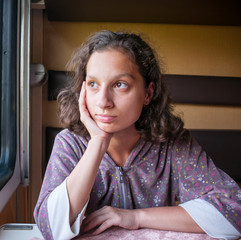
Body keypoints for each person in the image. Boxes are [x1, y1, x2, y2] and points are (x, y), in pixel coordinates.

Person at [34, 30, 241, 240]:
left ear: (148, 94)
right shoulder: (70, 144)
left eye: (119, 84)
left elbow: (234, 212)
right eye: (93, 84)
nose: (103, 101)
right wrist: (97, 143)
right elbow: (50, 228)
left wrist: (136, 217)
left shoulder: (173, 144)